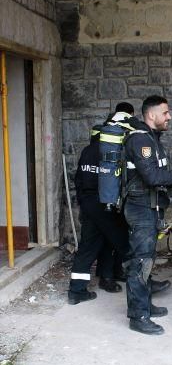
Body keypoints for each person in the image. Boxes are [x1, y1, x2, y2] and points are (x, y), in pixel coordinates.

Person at [124, 95, 172, 336]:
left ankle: (145, 305)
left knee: (147, 259)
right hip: (140, 210)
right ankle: (138, 316)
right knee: (141, 263)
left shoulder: (151, 138)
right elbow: (152, 178)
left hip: (149, 208)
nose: (169, 116)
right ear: (151, 115)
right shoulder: (141, 140)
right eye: (165, 112)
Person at [68, 117, 133, 304]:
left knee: (88, 247)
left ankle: (76, 290)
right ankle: (141, 281)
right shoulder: (111, 151)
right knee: (123, 243)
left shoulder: (87, 150)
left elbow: (78, 179)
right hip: (104, 204)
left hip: (88, 204)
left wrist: (83, 202)